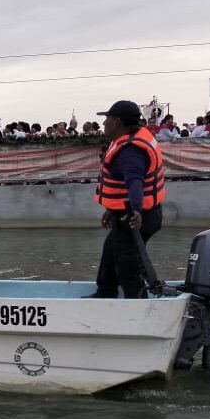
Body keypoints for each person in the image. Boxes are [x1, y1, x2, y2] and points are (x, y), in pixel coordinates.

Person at [89, 100, 165, 299]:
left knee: (127, 263)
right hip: (128, 213)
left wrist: (136, 211)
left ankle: (138, 305)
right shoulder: (129, 138)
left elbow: (134, 182)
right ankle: (106, 293)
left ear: (116, 122)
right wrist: (112, 209)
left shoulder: (130, 150)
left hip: (136, 216)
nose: (104, 123)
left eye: (107, 119)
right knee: (111, 252)